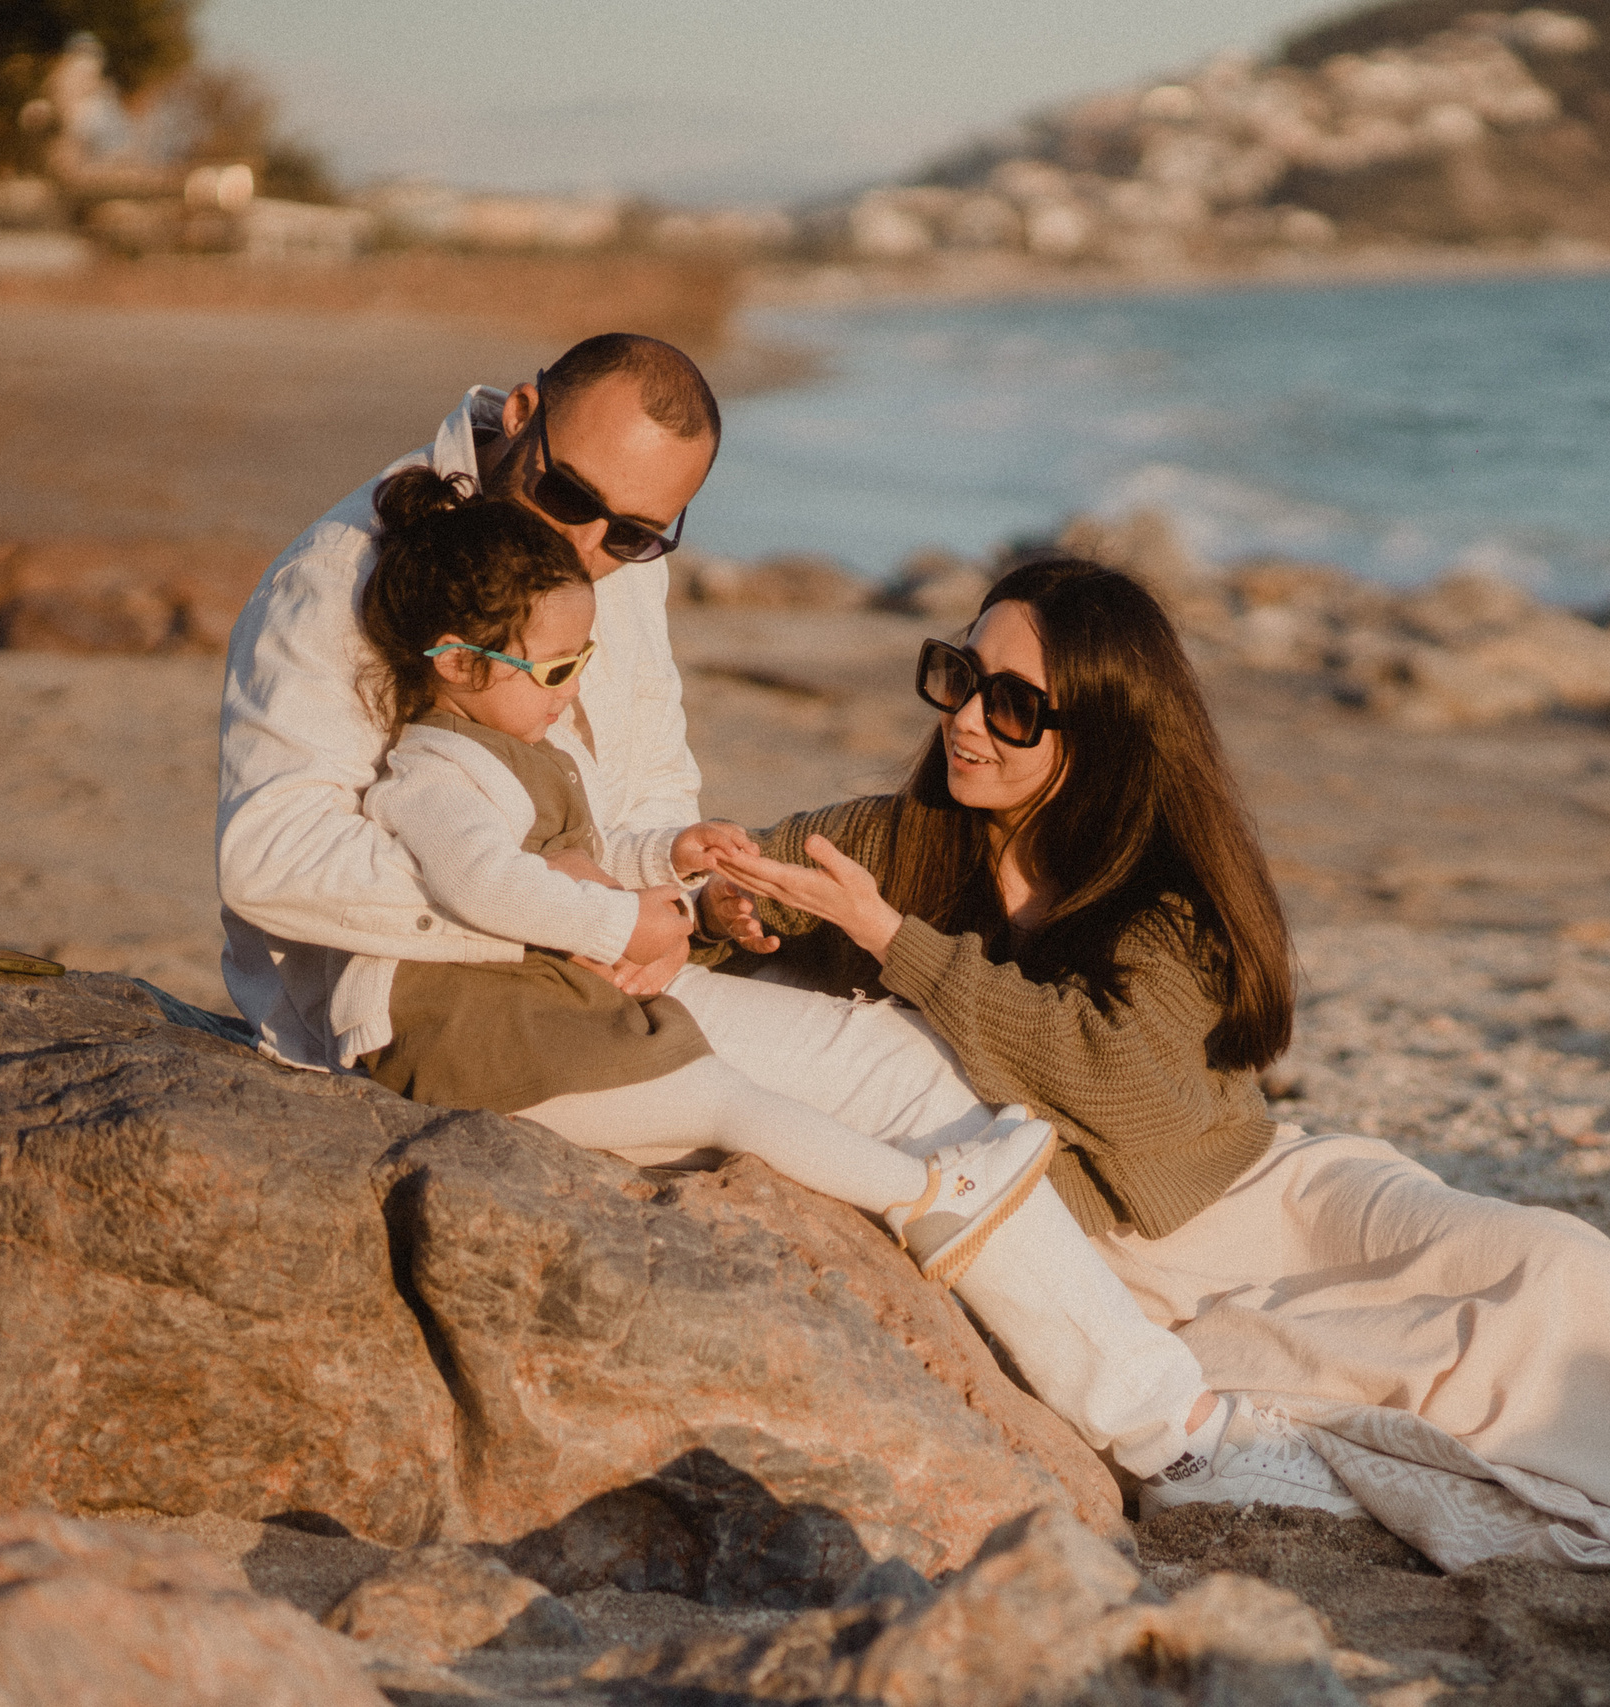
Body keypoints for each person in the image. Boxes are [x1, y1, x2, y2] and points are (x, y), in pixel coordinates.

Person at [214, 333, 1332, 1499]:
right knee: (905, 1089)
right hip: (421, 1008)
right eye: (567, 499)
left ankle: (1109, 1359)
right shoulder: (348, 571)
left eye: (635, 533)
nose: (587, 550)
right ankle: (1172, 1429)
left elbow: (637, 800)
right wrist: (581, 919)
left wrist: (693, 892)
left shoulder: (607, 568)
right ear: (522, 415)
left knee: (894, 1055)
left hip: (584, 965)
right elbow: (270, 861)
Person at [707, 557, 1610, 1547]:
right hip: (1133, 1261)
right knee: (1452, 1367)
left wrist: (900, 945)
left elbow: (1130, 1092)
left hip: (1270, 1179)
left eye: (1013, 701)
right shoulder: (896, 840)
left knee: (1551, 1259)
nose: (969, 721)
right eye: (958, 676)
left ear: (1094, 727)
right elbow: (752, 882)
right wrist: (726, 899)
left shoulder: (1159, 890)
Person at [334, 465, 1054, 1282]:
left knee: (722, 1086)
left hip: (537, 1024)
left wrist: (668, 858)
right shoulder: (435, 772)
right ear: (459, 665)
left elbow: (578, 857)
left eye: (583, 664)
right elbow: (489, 882)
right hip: (482, 1048)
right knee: (725, 1101)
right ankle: (925, 1198)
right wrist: (621, 923)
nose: (569, 699)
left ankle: (927, 1191)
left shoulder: (514, 750)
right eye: (557, 671)